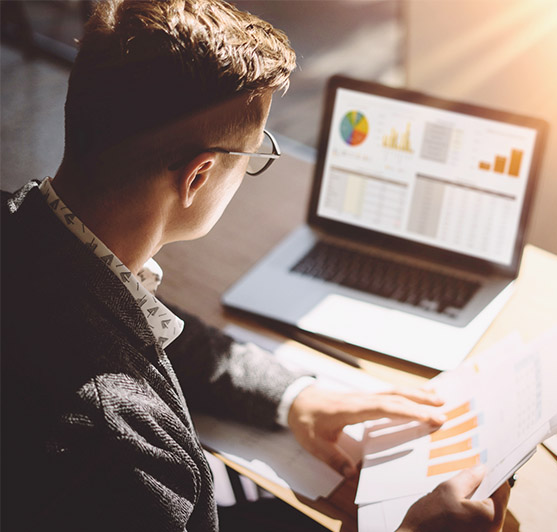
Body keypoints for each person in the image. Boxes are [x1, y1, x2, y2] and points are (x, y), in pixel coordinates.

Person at [0, 1, 510, 531]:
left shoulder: (28, 236)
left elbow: (132, 320)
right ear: (198, 177)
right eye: (253, 156)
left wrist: (294, 396)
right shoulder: (120, 446)